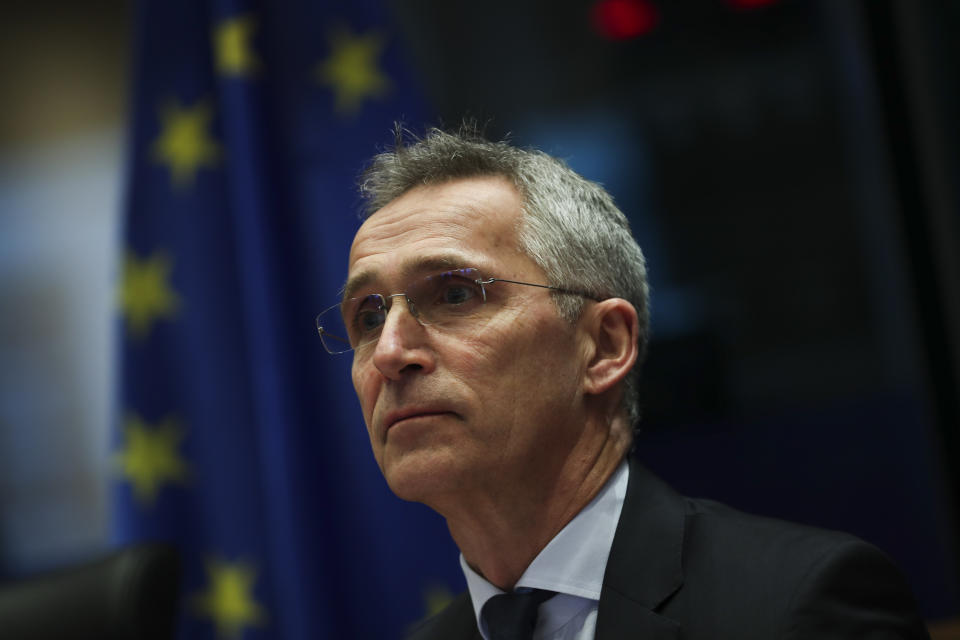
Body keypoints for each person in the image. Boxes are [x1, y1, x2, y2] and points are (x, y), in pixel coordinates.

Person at [316, 124, 930, 639]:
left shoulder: (797, 608)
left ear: (604, 346)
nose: (391, 351)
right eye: (369, 315)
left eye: (455, 293)